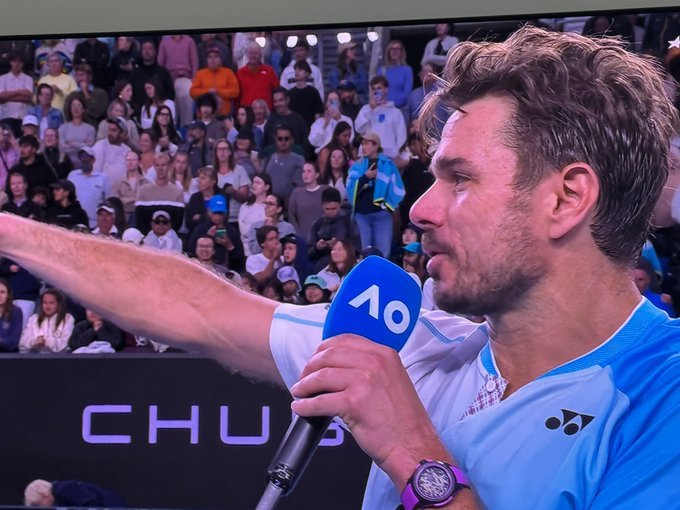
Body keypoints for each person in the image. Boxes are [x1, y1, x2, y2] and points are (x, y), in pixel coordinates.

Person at [0, 26, 677, 510]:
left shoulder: (662, 398)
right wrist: (10, 231)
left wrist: (414, 457)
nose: (420, 210)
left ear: (566, 198)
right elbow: (200, 308)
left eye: (460, 179)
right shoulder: (412, 341)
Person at [346, 131, 405, 258]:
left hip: (382, 215)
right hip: (362, 216)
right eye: (362, 144)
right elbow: (350, 187)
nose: (363, 147)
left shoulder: (388, 164)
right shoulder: (357, 166)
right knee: (364, 254)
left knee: (383, 254)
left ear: (376, 145)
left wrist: (388, 206)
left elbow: (397, 187)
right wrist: (365, 177)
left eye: (366, 143)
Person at [354, 76, 407, 159]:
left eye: (379, 88)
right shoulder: (366, 109)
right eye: (373, 89)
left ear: (386, 90)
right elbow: (359, 129)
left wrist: (398, 154)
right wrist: (371, 110)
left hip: (390, 155)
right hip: (369, 154)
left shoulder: (396, 112)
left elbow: (401, 135)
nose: (376, 91)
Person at [67, 146, 111, 228]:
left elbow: (108, 201)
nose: (84, 160)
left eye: (87, 158)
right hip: (75, 221)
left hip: (95, 224)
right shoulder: (72, 175)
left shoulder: (103, 178)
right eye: (82, 157)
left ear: (93, 160)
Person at [189, 46, 240, 118]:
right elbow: (192, 92)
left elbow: (235, 92)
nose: (212, 60)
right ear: (206, 60)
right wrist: (208, 91)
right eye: (209, 57)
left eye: (216, 56)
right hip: (204, 117)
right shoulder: (200, 73)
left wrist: (218, 91)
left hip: (224, 116)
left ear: (220, 59)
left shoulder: (228, 73)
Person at [19, 288, 74, 353]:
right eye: (45, 303)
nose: (47, 306)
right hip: (35, 355)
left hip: (58, 356)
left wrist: (46, 341)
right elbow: (22, 341)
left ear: (58, 304)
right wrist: (34, 341)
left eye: (51, 303)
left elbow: (66, 343)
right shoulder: (34, 319)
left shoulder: (67, 318)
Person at [287, 162, 329, 243]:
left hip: (323, 238)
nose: (305, 174)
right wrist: (298, 236)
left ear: (317, 175)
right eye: (303, 171)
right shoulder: (296, 193)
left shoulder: (326, 190)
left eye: (309, 171)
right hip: (302, 239)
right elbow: (292, 216)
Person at [236, 42, 279, 110]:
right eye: (250, 53)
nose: (253, 56)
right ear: (247, 55)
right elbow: (237, 95)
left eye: (255, 53)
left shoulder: (269, 71)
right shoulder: (240, 72)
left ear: (261, 55)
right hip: (247, 111)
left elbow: (276, 90)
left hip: (266, 110)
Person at [59, 94, 96, 162]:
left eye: (79, 105)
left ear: (83, 109)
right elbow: (63, 148)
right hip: (66, 163)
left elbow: (88, 148)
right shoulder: (63, 128)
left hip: (84, 163)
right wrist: (82, 144)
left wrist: (72, 143)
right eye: (73, 105)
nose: (76, 108)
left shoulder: (90, 129)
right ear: (70, 109)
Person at [0, 277, 22, 352]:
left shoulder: (16, 312)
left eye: (2, 292)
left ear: (8, 295)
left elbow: (13, 343)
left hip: (9, 355)